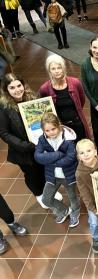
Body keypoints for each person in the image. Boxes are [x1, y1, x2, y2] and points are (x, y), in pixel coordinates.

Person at [0, 73, 62, 208]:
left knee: (44, 168)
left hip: (40, 144)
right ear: (6, 90)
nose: (17, 90)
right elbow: (4, 133)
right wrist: (25, 145)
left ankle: (48, 192)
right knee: (32, 174)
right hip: (23, 150)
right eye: (12, 87)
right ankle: (39, 194)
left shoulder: (33, 98)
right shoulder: (4, 108)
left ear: (23, 85)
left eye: (19, 85)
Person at [34, 112, 80, 228]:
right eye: (47, 131)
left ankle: (75, 213)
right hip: (52, 176)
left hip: (68, 175)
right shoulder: (42, 139)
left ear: (59, 125)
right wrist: (58, 154)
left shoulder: (68, 139)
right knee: (46, 199)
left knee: (73, 197)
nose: (51, 133)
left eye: (53, 129)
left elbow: (70, 158)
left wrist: (49, 160)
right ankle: (64, 210)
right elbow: (38, 157)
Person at [39, 54, 91, 142]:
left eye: (59, 68)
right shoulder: (44, 89)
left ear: (63, 68)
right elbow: (46, 110)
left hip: (78, 123)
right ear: (49, 71)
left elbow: (81, 101)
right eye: (53, 69)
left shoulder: (75, 83)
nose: (56, 71)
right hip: (60, 127)